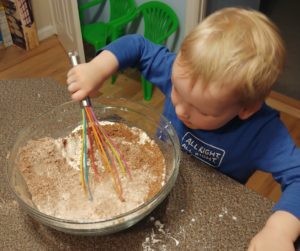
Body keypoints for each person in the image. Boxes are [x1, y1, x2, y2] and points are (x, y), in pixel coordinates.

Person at [67, 7, 300, 251]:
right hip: (158, 180)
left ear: (246, 109)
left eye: (203, 111)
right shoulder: (184, 75)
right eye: (176, 90)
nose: (180, 110)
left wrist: (279, 230)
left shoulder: (263, 133)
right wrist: (98, 67)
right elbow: (138, 45)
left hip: (210, 211)